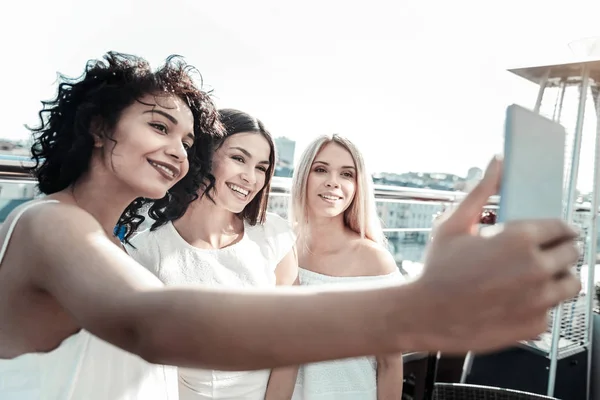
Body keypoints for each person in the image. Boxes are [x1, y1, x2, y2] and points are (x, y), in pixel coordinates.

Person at [0, 52, 581, 400]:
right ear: (100, 127)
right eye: (159, 126)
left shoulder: (109, 241)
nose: (179, 151)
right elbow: (154, 325)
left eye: (187, 139)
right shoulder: (49, 226)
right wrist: (426, 304)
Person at [128, 109, 298, 400]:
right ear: (203, 156)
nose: (251, 177)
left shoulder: (274, 236)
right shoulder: (147, 250)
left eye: (261, 167)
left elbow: (292, 345)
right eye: (238, 158)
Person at [284, 134, 404, 399]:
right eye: (320, 169)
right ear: (303, 176)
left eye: (347, 174)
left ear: (358, 186)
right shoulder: (279, 245)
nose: (332, 182)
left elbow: (390, 364)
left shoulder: (375, 262)